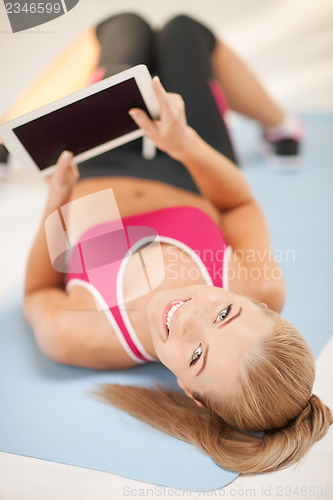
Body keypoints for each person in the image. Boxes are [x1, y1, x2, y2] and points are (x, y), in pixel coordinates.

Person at [14, 13, 330, 474]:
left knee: (124, 29)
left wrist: (57, 201)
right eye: (225, 313)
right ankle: (282, 126)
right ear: (258, 305)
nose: (187, 319)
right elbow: (239, 203)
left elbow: (38, 292)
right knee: (185, 31)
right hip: (189, 166)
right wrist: (185, 145)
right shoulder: (259, 285)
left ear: (192, 394)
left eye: (199, 355)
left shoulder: (84, 335)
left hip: (97, 170)